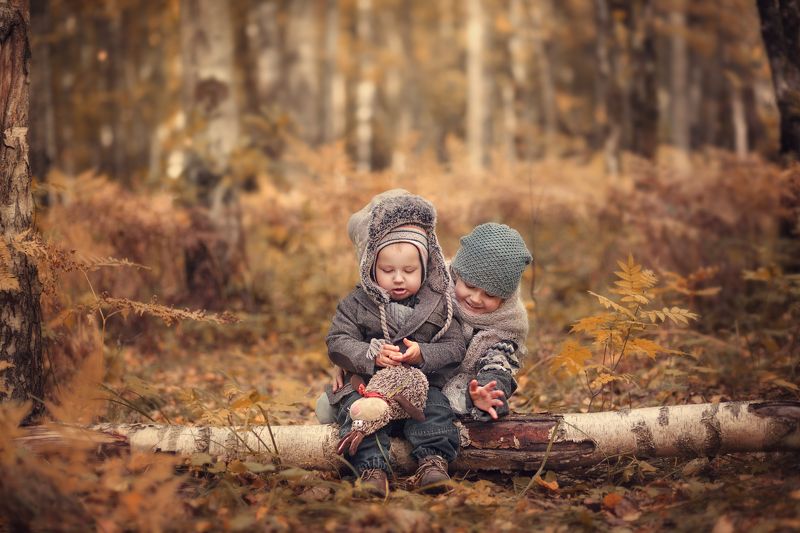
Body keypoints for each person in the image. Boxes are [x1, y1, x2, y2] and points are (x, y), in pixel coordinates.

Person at [325, 190, 465, 497]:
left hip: (419, 387)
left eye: (409, 271)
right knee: (358, 412)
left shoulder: (439, 305)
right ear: (370, 268)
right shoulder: (356, 304)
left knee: (437, 408)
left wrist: (423, 353)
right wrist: (369, 355)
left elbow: (456, 346)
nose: (398, 279)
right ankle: (371, 468)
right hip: (370, 387)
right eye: (388, 271)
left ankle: (432, 462)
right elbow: (337, 341)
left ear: (426, 267)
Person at [442, 223, 532, 422]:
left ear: (504, 298)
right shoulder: (435, 291)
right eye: (470, 285)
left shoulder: (507, 324)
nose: (475, 298)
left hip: (467, 390)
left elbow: (498, 364)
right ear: (456, 274)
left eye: (490, 294)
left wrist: (486, 391)